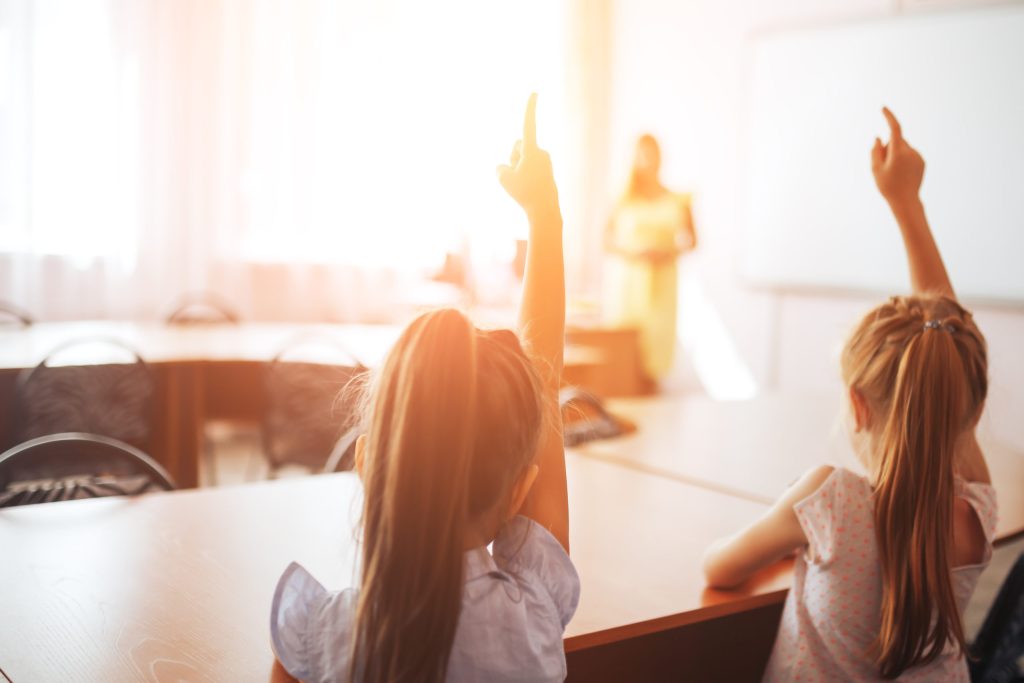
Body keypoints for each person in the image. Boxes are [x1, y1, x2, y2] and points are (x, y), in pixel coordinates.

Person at [269, 94, 578, 683]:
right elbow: (543, 377)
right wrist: (546, 218)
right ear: (519, 494)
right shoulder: (534, 610)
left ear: (366, 464)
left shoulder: (318, 642)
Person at [702, 108, 996, 681]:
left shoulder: (830, 502)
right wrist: (907, 203)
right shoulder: (976, 513)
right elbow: (947, 341)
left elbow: (719, 567)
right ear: (971, 411)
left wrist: (794, 511)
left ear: (857, 404)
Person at [604, 134, 697, 383]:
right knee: (626, 348)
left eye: (651, 154)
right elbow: (606, 242)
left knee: (655, 348)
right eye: (641, 154)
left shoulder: (678, 199)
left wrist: (670, 252)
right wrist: (635, 253)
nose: (647, 161)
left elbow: (692, 241)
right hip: (631, 282)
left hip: (663, 282)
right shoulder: (622, 198)